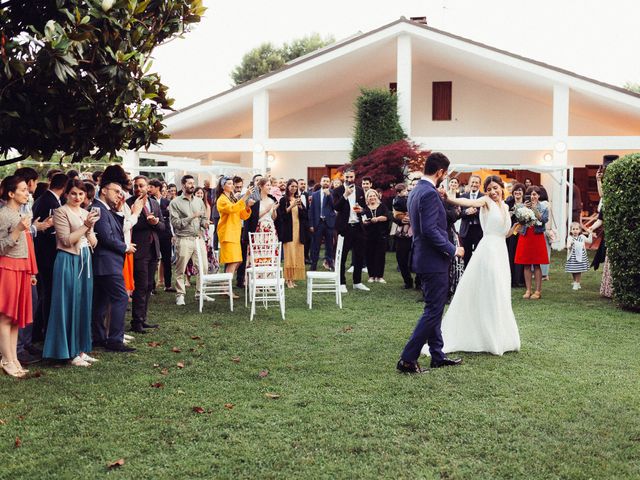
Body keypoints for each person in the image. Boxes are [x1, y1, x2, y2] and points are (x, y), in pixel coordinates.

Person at [423, 175, 520, 356]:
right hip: (488, 251)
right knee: (490, 288)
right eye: (489, 189)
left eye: (495, 188)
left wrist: (516, 228)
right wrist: (450, 198)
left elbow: (504, 233)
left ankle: (499, 335)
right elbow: (467, 201)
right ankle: (486, 336)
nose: (492, 192)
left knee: (500, 290)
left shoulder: (506, 207)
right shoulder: (485, 201)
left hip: (500, 251)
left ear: (502, 188)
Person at [397, 153, 464, 374]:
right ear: (440, 173)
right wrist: (453, 249)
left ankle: (437, 355)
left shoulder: (417, 191)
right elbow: (430, 230)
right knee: (434, 310)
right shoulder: (428, 193)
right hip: (433, 260)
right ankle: (407, 359)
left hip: (425, 258)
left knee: (433, 307)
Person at [43, 180, 99, 366]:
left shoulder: (85, 213)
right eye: (74, 193)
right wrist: (85, 226)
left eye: (81, 194)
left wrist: (89, 227)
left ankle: (81, 349)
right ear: (67, 194)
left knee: (84, 302)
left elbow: (93, 242)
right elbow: (66, 240)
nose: (77, 197)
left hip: (85, 258)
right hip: (68, 259)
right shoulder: (61, 212)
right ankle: (68, 350)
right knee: (69, 303)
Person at [91, 173, 136, 353]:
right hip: (106, 263)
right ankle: (115, 340)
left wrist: (117, 210)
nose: (120, 195)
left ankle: (100, 337)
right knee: (121, 297)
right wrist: (125, 247)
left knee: (101, 302)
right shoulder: (98, 209)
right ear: (103, 191)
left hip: (108, 263)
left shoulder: (107, 210)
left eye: (120, 192)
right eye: (116, 191)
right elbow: (107, 238)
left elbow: (116, 228)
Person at [0, 176, 38, 377]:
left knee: (15, 318)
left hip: (21, 268)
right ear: (11, 193)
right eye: (23, 190)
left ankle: (12, 358)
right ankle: (6, 359)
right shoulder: (4, 215)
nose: (27, 193)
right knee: (6, 317)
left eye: (27, 189)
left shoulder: (18, 214)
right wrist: (17, 230)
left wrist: (31, 271)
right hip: (7, 268)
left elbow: (26, 246)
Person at [31, 172, 67, 345]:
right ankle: (41, 330)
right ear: (65, 188)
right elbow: (47, 230)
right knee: (47, 293)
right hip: (46, 254)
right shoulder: (50, 201)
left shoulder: (45, 198)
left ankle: (39, 330)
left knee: (45, 293)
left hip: (43, 253)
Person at [127, 176, 164, 333]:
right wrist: (146, 221)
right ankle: (136, 322)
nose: (138, 188)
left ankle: (143, 318)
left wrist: (155, 223)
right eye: (136, 186)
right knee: (141, 286)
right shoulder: (129, 203)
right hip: (138, 249)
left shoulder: (154, 203)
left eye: (141, 185)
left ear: (148, 187)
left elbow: (163, 227)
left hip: (153, 248)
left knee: (149, 285)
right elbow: (128, 225)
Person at [170, 175, 210, 306]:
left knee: (203, 267)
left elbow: (203, 217)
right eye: (189, 183)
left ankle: (200, 293)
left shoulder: (198, 201)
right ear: (183, 185)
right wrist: (192, 216)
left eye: (193, 183)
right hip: (183, 239)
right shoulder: (175, 202)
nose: (192, 185)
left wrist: (205, 223)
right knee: (180, 269)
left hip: (198, 238)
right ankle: (180, 295)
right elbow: (176, 223)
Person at [333, 168, 369, 293]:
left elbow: (364, 207)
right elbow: (336, 207)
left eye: (351, 177)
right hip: (344, 227)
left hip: (358, 226)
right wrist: (345, 195)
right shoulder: (337, 190)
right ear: (343, 177)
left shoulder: (359, 190)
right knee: (342, 257)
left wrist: (362, 210)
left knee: (359, 256)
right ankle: (341, 282)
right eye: (347, 177)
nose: (349, 179)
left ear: (354, 177)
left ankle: (357, 282)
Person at [216, 177, 254, 293]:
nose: (232, 185)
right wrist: (245, 196)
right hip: (227, 233)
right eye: (229, 183)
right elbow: (232, 209)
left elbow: (242, 215)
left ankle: (224, 287)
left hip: (235, 233)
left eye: (232, 183)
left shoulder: (232, 198)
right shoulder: (222, 199)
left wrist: (248, 206)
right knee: (233, 261)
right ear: (223, 186)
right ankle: (226, 288)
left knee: (237, 260)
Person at [515, 186, 549, 299]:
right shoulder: (522, 206)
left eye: (535, 194)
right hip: (525, 235)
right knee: (526, 264)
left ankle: (538, 291)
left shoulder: (543, 206)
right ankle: (528, 290)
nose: (533, 197)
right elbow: (519, 221)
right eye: (530, 195)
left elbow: (543, 220)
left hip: (537, 235)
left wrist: (534, 208)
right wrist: (524, 209)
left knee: (537, 264)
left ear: (539, 195)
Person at [277, 179, 309, 288]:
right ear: (288, 187)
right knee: (289, 255)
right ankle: (288, 279)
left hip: (298, 231)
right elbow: (281, 215)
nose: (294, 188)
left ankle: (293, 278)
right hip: (288, 231)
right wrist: (292, 205)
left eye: (296, 186)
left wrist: (300, 206)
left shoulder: (298, 199)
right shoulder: (283, 200)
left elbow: (305, 216)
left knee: (297, 254)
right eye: (292, 186)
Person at [149, 179, 175, 292]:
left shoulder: (166, 201)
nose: (149, 189)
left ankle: (168, 284)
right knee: (153, 259)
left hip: (166, 233)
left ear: (157, 188)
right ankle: (152, 286)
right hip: (154, 233)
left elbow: (169, 217)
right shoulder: (149, 201)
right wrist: (163, 214)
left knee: (167, 259)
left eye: (151, 187)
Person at [362, 189, 391, 283]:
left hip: (381, 235)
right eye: (370, 196)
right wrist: (365, 222)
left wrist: (377, 219)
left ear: (377, 196)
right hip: (368, 235)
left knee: (380, 255)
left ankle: (379, 276)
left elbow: (387, 217)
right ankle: (371, 276)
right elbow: (362, 219)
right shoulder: (365, 208)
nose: (372, 197)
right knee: (369, 255)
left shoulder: (382, 206)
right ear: (367, 198)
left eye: (373, 195)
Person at [308, 175, 336, 271]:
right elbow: (311, 210)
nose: (326, 183)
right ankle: (313, 265)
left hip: (329, 223)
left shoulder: (332, 193)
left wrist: (329, 195)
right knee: (316, 245)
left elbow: (334, 207)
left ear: (330, 183)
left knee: (329, 245)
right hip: (318, 223)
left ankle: (330, 263)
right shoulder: (315, 194)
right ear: (320, 182)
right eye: (324, 181)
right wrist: (311, 224)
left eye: (327, 181)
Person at [392, 183, 414, 289]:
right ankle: (408, 281)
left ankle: (419, 282)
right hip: (402, 235)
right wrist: (400, 219)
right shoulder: (399, 200)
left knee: (418, 259)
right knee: (401, 258)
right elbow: (393, 215)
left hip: (418, 233)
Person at [459, 174, 484, 266]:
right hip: (466, 230)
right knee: (466, 255)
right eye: (472, 182)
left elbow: (486, 214)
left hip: (479, 230)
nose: (474, 184)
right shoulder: (463, 196)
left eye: (476, 182)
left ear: (480, 184)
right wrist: (466, 212)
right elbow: (459, 213)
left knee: (479, 255)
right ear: (469, 183)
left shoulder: (483, 197)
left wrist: (476, 212)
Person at [505, 183, 526, 288]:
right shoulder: (508, 203)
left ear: (523, 192)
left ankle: (521, 280)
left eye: (520, 191)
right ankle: (512, 280)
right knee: (511, 255)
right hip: (512, 233)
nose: (517, 192)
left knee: (522, 255)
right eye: (515, 191)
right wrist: (508, 214)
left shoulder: (526, 204)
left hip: (523, 233)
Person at [565, 222, 593, 290]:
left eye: (577, 229)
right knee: (573, 270)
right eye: (573, 229)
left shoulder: (582, 237)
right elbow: (568, 246)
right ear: (571, 230)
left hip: (580, 256)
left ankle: (577, 283)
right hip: (572, 257)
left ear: (579, 230)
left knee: (578, 270)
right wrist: (570, 245)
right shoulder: (570, 238)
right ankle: (575, 281)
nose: (575, 230)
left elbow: (590, 241)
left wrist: (590, 233)